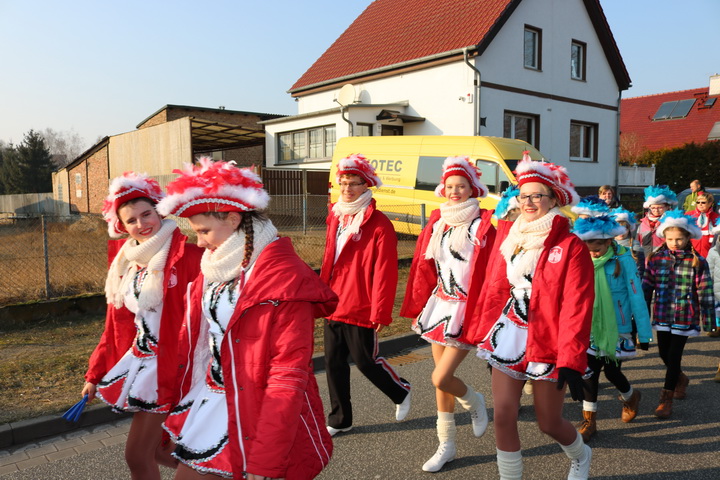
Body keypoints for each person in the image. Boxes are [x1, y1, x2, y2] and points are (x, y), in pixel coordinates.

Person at [158, 159, 337, 479]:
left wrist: (266, 458)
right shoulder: (213, 269)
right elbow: (194, 349)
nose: (199, 242)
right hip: (213, 402)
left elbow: (287, 374)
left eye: (204, 231)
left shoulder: (285, 280)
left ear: (233, 218)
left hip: (261, 415)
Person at [469, 154, 595, 480]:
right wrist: (485, 332)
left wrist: (571, 359)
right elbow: (496, 288)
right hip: (511, 331)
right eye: (523, 196)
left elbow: (577, 306)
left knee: (548, 423)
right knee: (503, 415)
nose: (528, 202)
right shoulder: (512, 237)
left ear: (553, 200)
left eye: (537, 196)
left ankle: (581, 455)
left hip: (550, 338)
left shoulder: (571, 246)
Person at [83, 172, 202, 480]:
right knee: (161, 452)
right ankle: (220, 472)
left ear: (159, 211)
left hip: (175, 368)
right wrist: (95, 373)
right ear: (122, 226)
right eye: (132, 220)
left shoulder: (191, 257)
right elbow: (115, 328)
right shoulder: (125, 266)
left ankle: (219, 471)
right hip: (143, 364)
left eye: (146, 214)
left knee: (138, 455)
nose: (141, 224)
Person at [400, 157, 495, 472]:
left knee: (440, 377)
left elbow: (494, 270)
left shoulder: (482, 225)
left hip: (466, 309)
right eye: (450, 186)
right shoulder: (438, 223)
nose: (455, 191)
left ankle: (474, 401)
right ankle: (447, 446)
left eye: (461, 186)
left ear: (472, 189)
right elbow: (425, 266)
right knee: (441, 383)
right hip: (440, 304)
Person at [320, 153, 411, 437]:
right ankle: (340, 419)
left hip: (361, 303)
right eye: (343, 182)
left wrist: (380, 311)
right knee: (333, 363)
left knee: (365, 362)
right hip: (334, 301)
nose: (347, 188)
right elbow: (329, 259)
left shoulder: (380, 224)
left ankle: (400, 391)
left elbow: (385, 272)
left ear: (365, 185)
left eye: (353, 183)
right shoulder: (336, 216)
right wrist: (320, 295)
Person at [572, 215, 652, 442]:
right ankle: (589, 421)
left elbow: (636, 296)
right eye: (589, 250)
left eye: (597, 249)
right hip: (588, 325)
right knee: (589, 373)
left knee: (612, 372)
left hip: (617, 327)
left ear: (609, 242)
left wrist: (644, 333)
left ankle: (631, 396)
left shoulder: (624, 260)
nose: (593, 254)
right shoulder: (581, 259)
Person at [642, 210, 716, 419]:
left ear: (688, 238)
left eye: (679, 239)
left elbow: (705, 291)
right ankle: (681, 378)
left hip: (685, 315)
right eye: (670, 239)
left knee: (674, 356)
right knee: (663, 353)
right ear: (664, 238)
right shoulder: (655, 258)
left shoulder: (697, 261)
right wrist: (640, 315)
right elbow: (646, 287)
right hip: (662, 313)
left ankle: (666, 400)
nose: (675, 243)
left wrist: (709, 321)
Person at [637, 185, 677, 261]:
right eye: (653, 208)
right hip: (646, 258)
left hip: (665, 258)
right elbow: (638, 242)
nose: (656, 210)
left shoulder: (672, 222)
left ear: (667, 207)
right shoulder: (643, 223)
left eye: (660, 207)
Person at [688, 192, 719, 258]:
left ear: (710, 203)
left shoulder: (716, 217)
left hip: (709, 252)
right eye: (698, 202)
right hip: (692, 251)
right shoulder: (689, 215)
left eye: (703, 202)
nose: (700, 204)